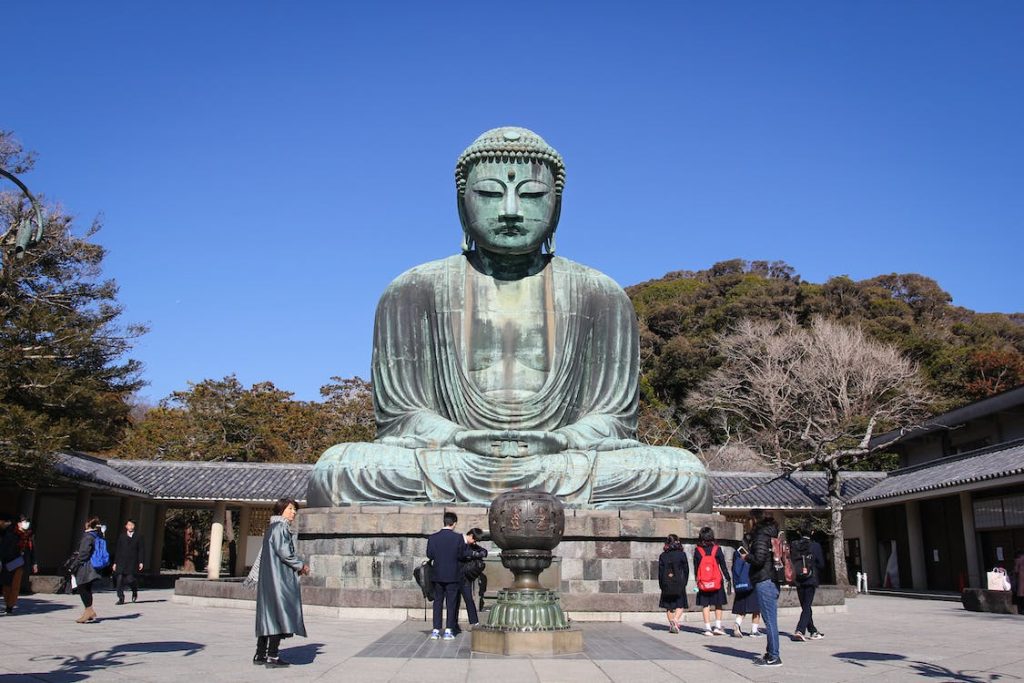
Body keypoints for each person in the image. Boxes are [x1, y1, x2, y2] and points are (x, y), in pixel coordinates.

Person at [307, 126, 711, 512]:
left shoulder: (601, 294)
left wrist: (560, 440)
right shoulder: (412, 290)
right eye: (489, 193)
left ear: (557, 206)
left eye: (532, 194)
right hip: (454, 459)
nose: (512, 211)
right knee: (340, 469)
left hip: (563, 460)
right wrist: (459, 437)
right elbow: (402, 416)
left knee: (681, 474)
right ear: (461, 204)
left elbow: (614, 420)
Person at [254, 498, 310, 668]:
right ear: (281, 510)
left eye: (294, 510)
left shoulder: (272, 527)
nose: (293, 512)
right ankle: (273, 655)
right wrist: (301, 566)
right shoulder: (280, 527)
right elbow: (285, 552)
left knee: (268, 615)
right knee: (280, 614)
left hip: (270, 578)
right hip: (279, 579)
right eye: (291, 509)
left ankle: (260, 654)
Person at [747, 509, 782, 667]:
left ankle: (774, 656)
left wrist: (746, 556)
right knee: (770, 619)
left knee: (770, 621)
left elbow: (759, 560)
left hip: (764, 579)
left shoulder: (761, 536)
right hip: (771, 579)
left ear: (755, 520)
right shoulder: (772, 534)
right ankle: (770, 652)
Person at [426, 511, 466, 640]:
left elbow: (430, 555)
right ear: (454, 523)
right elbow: (462, 555)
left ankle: (436, 629)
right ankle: (449, 629)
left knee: (437, 602)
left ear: (444, 522)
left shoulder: (433, 537)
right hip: (453, 574)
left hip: (437, 574)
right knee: (451, 603)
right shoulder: (458, 538)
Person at [790, 520, 826, 641]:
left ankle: (813, 631)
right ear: (812, 531)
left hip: (798, 578)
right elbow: (821, 563)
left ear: (799, 532)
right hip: (811, 578)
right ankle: (800, 630)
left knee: (805, 605)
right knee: (807, 606)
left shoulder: (794, 545)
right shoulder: (815, 546)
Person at [693, 526, 730, 636]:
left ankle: (708, 628)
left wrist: (697, 579)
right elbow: (723, 565)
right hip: (716, 581)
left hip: (704, 582)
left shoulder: (698, 550)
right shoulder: (717, 549)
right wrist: (728, 577)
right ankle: (718, 626)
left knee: (706, 605)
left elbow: (696, 567)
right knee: (718, 604)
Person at [452, 527, 488, 633]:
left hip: (465, 578)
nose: (475, 542)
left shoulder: (472, 545)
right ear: (471, 536)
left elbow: (483, 551)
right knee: (454, 601)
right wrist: (472, 554)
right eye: (475, 540)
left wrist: (479, 553)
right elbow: (461, 554)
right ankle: (453, 624)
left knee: (469, 599)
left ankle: (474, 622)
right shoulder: (459, 542)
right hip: (454, 576)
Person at [71, 517, 105, 624]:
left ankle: (89, 610)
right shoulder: (97, 535)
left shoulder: (88, 537)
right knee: (87, 588)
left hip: (86, 566)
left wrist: (74, 564)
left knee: (82, 587)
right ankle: (88, 611)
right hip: (94, 567)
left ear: (87, 525)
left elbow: (83, 554)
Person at [730, 532, 762, 638]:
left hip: (740, 583)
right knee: (756, 608)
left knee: (742, 608)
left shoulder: (737, 553)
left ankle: (737, 623)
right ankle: (754, 630)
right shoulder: (753, 553)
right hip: (752, 582)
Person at [657, 533, 689, 633]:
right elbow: (686, 570)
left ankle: (672, 623)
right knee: (680, 604)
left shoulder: (663, 556)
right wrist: (684, 582)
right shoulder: (681, 554)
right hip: (679, 583)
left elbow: (660, 572)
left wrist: (661, 585)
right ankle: (675, 620)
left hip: (666, 583)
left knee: (669, 606)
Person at [113, 519, 146, 605]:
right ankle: (121, 597)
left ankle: (134, 589)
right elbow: (118, 550)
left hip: (132, 561)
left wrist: (141, 562)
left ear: (134, 526)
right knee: (119, 579)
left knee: (130, 579)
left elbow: (141, 550)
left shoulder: (139, 536)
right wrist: (115, 562)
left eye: (132, 525)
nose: (130, 526)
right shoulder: (122, 536)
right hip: (121, 561)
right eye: (129, 525)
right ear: (126, 526)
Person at [1013, 549, 1024, 615]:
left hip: (1021, 578)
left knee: (1021, 594)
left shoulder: (1019, 559)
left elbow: (1016, 570)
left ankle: (1021, 610)